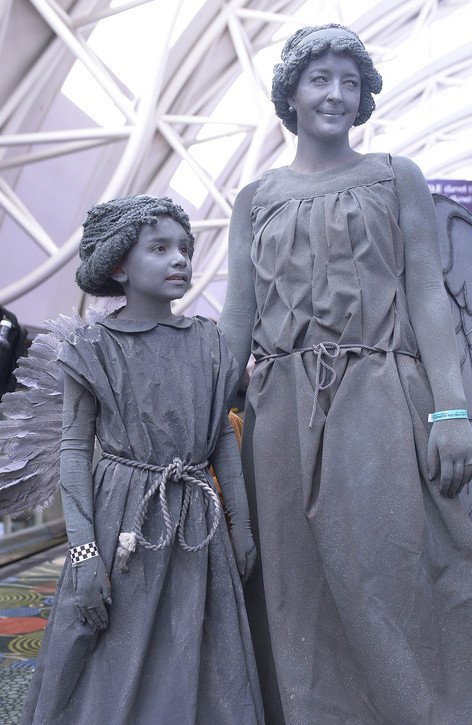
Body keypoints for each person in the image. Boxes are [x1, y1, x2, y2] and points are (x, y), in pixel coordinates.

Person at [218, 24, 472, 725]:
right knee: (293, 583)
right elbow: (237, 316)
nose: (336, 94)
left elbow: (428, 294)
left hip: (379, 396)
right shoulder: (256, 197)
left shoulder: (395, 176)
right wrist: (196, 414)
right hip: (280, 413)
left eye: (351, 81)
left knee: (389, 567)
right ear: (290, 92)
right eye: (320, 79)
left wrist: (451, 410)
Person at [19, 195, 264, 724]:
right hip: (121, 523)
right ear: (118, 267)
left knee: (198, 640)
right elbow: (74, 451)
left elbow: (221, 439)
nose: (180, 259)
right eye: (159, 248)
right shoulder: (91, 347)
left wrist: (240, 524)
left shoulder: (209, 343)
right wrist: (84, 555)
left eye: (185, 248)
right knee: (113, 645)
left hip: (197, 524)